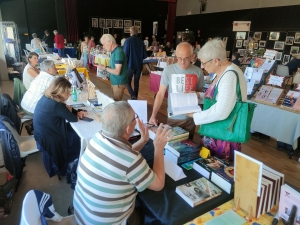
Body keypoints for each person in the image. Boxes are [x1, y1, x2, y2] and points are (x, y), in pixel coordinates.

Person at [73, 101, 172, 225]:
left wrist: (143, 141)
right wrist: (158, 147)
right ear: (128, 128)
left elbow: (119, 160)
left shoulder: (96, 138)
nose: (137, 120)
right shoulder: (131, 160)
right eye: (135, 117)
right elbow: (158, 184)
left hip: (83, 216)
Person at [187, 39, 247, 161]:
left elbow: (222, 111)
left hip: (223, 136)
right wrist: (199, 95)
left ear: (216, 61)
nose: (202, 66)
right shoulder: (224, 71)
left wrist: (194, 115)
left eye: (203, 63)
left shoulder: (229, 76)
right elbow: (218, 98)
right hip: (217, 131)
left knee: (216, 168)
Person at [149, 42, 205, 140]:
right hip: (174, 118)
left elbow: (199, 96)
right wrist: (153, 115)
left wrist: (198, 116)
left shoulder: (198, 72)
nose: (182, 61)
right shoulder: (168, 70)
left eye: (186, 58)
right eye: (179, 58)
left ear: (192, 56)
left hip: (190, 118)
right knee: (173, 146)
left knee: (188, 145)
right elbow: (160, 94)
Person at [34, 77, 86, 177]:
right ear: (60, 92)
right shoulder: (56, 105)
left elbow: (65, 111)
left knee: (72, 131)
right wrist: (73, 113)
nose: (69, 95)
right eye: (67, 92)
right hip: (50, 136)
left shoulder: (47, 97)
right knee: (78, 136)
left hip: (42, 132)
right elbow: (73, 119)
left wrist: (76, 112)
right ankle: (74, 160)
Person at [97, 34, 128, 101]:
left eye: (104, 44)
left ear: (110, 42)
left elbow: (117, 71)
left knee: (116, 104)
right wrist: (107, 75)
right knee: (115, 102)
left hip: (118, 82)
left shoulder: (118, 52)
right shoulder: (114, 52)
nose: (103, 47)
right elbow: (113, 67)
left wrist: (104, 68)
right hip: (115, 82)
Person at [123, 26, 147, 100]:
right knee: (136, 83)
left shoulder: (127, 41)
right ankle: (134, 98)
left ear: (130, 32)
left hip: (130, 65)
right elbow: (145, 55)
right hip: (138, 65)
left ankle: (132, 95)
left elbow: (125, 54)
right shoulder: (141, 42)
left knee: (127, 81)